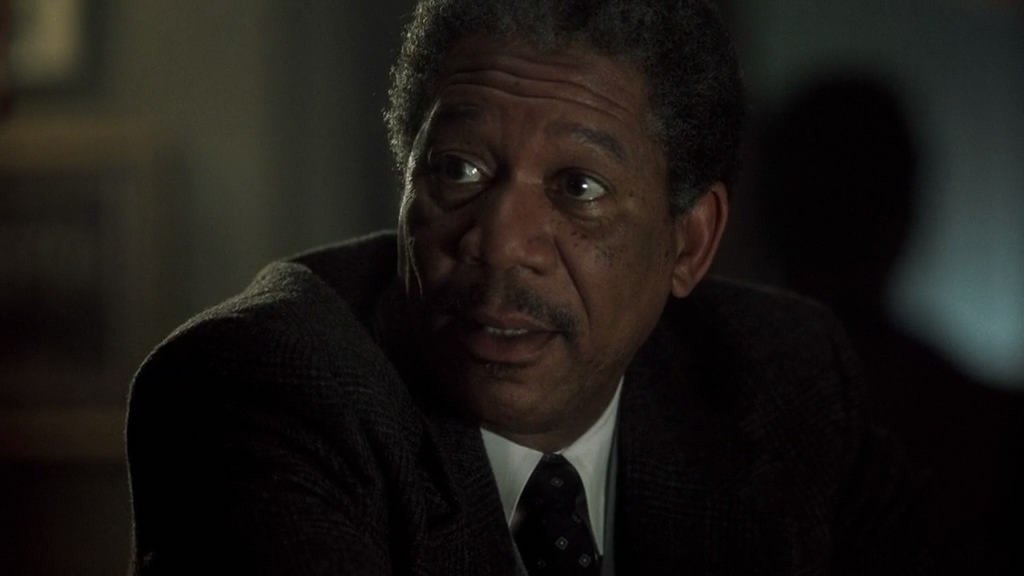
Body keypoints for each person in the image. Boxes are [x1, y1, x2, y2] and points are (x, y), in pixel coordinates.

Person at [126, 1, 925, 574]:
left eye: (579, 187)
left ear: (688, 242)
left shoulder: (781, 374)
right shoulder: (267, 384)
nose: (500, 243)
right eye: (458, 170)